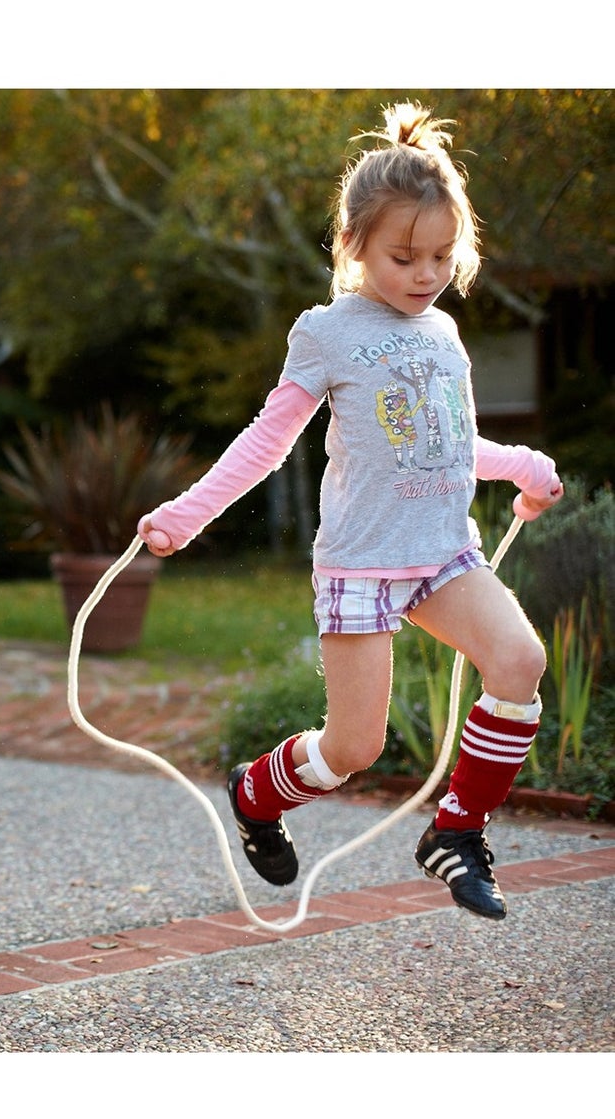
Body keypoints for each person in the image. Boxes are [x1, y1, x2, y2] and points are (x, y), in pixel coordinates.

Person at [138, 103, 563, 922]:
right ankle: (256, 795)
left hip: (443, 553)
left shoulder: (443, 332)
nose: (424, 272)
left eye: (441, 255)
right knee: (352, 747)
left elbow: (449, 444)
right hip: (362, 563)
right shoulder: (326, 332)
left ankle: (457, 831)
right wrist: (186, 516)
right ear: (354, 244)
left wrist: (527, 468)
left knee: (518, 662)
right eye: (404, 255)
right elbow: (266, 442)